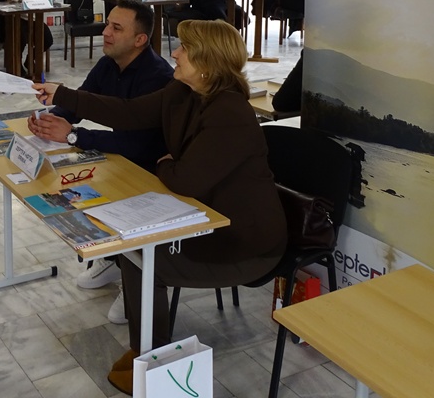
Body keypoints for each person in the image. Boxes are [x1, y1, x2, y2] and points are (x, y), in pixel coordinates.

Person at [34, 20, 287, 395]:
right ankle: (147, 347)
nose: (175, 53)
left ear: (207, 62)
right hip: (205, 218)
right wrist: (65, 95)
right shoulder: (183, 91)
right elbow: (128, 113)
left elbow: (186, 181)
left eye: (184, 48)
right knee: (135, 249)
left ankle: (151, 355)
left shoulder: (230, 112)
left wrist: (165, 164)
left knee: (143, 258)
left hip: (244, 242)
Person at [27, 0, 173, 325]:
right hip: (123, 159)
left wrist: (73, 135)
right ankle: (115, 257)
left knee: (99, 184)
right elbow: (80, 102)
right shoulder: (109, 63)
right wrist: (49, 120)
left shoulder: (158, 77)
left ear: (140, 39)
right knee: (78, 189)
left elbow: (139, 144)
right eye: (107, 24)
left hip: (154, 170)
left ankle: (133, 273)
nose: (106, 32)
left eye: (116, 28)